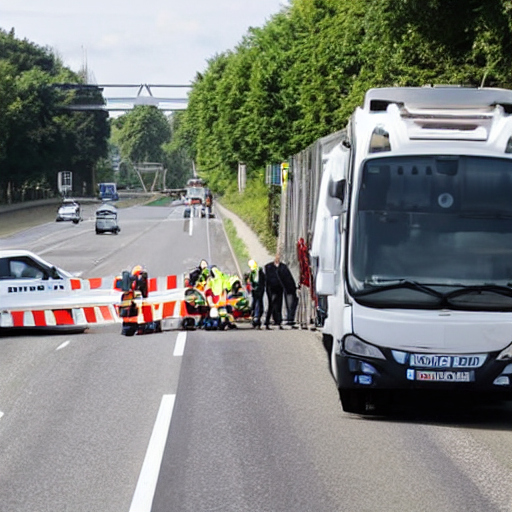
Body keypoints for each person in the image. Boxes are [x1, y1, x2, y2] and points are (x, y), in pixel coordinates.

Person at [246, 259, 265, 328]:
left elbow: (254, 281)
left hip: (257, 289)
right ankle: (256, 317)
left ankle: (256, 317)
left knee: (257, 303)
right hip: (259, 289)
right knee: (258, 303)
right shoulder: (258, 270)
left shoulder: (254, 271)